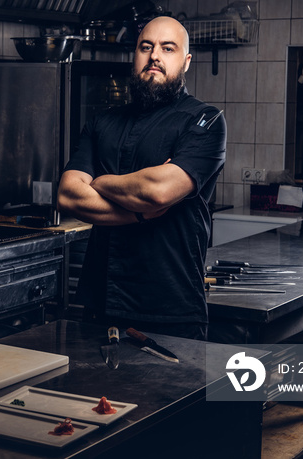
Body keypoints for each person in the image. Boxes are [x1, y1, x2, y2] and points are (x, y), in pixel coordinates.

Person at [57, 16, 226, 340]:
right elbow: (68, 195)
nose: (154, 56)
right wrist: (138, 212)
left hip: (171, 308)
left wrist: (100, 182)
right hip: (100, 305)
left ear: (186, 61)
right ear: (134, 54)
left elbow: (157, 192)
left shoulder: (205, 120)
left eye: (168, 48)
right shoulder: (103, 122)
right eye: (145, 47)